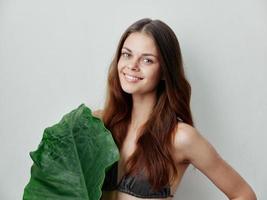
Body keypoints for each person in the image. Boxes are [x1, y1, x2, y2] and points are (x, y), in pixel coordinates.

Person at [93, 18, 257, 200]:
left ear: (164, 71)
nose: (132, 65)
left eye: (147, 60)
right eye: (127, 54)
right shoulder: (99, 124)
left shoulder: (179, 137)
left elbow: (243, 195)